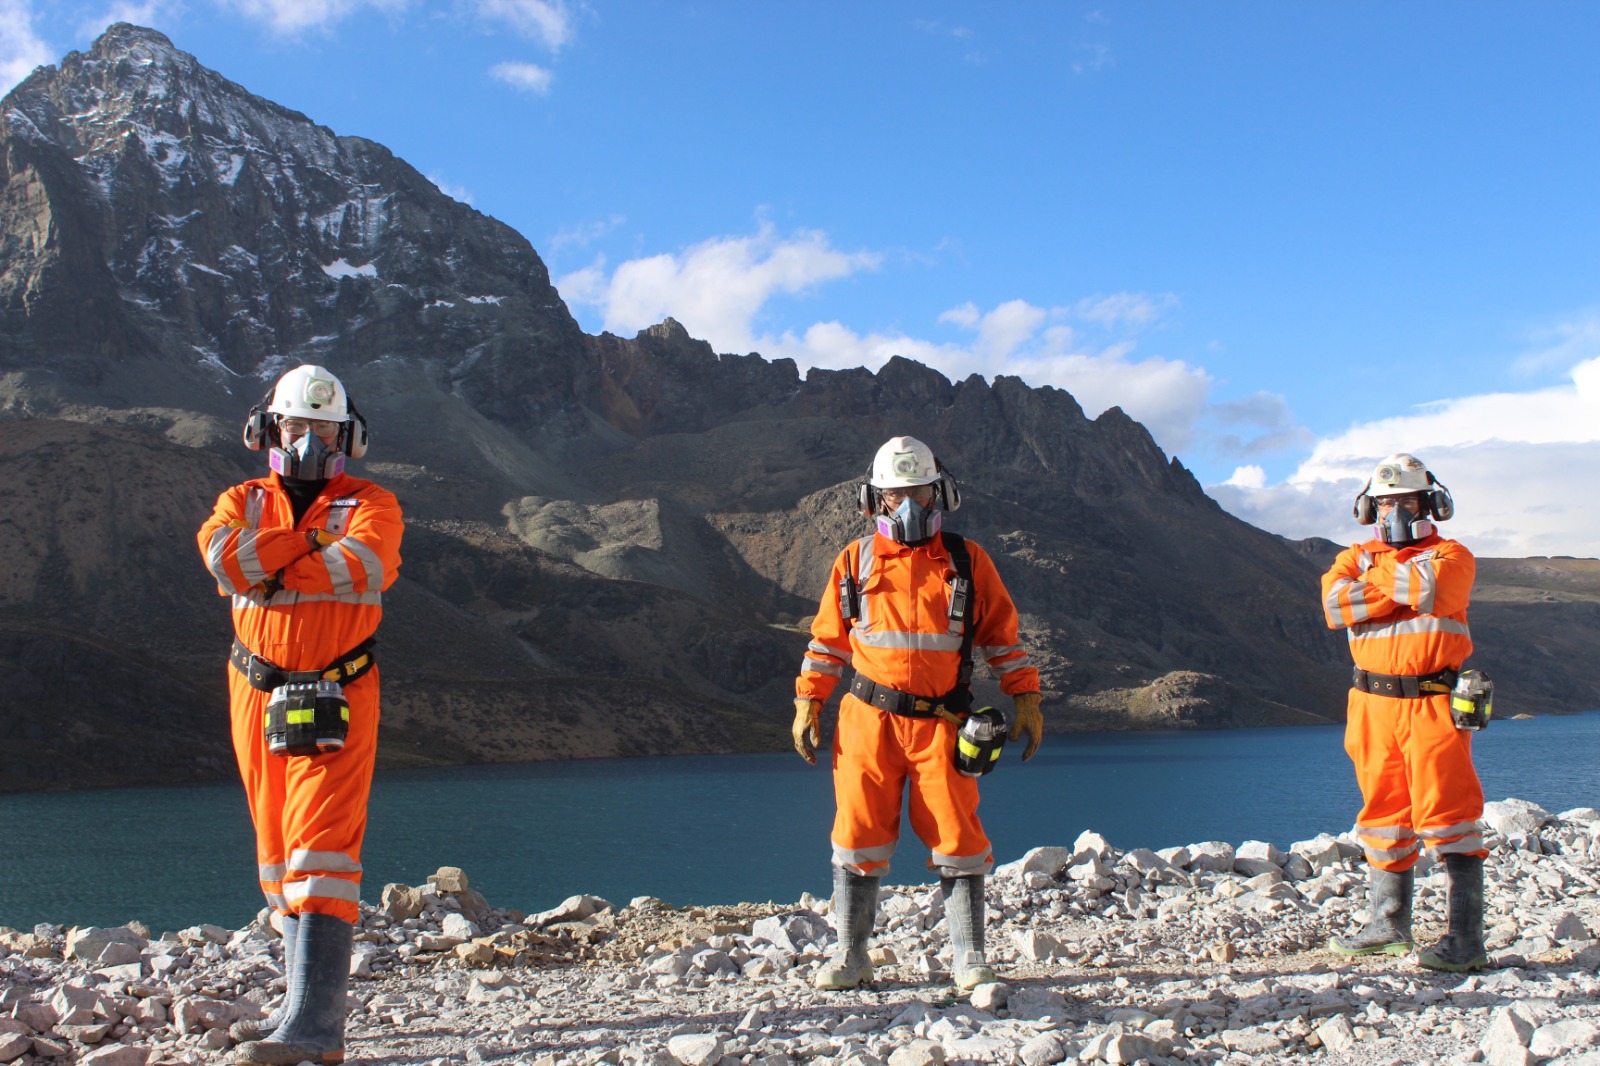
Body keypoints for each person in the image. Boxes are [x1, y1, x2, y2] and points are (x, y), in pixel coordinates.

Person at [198, 364, 403, 1064]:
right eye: (296, 426)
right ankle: (295, 1013)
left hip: (337, 692)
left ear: (348, 435)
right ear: (268, 430)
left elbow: (367, 565)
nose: (309, 440)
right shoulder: (239, 498)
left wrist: (273, 563)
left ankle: (316, 1032)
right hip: (254, 692)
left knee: (321, 852)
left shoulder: (373, 503)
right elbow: (225, 560)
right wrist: (310, 550)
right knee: (278, 858)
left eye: (322, 428)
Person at [792, 435, 1044, 992]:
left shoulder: (967, 561)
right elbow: (827, 644)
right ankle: (851, 957)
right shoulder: (852, 561)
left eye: (920, 493)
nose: (908, 506)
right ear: (873, 500)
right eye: (893, 495)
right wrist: (808, 700)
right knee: (856, 837)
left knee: (958, 838)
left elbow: (1002, 637)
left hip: (942, 723)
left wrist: (1024, 693)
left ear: (941, 494)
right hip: (866, 721)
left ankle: (969, 958)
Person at [1321, 452, 1487, 972]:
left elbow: (1436, 591)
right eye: (1387, 502)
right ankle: (1387, 925)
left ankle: (1465, 941)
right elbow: (1334, 607)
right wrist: (1403, 589)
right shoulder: (1353, 556)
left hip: (1434, 703)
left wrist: (1382, 586)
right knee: (1383, 815)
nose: (1396, 511)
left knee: (1450, 816)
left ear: (1430, 503)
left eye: (1407, 501)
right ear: (1370, 507)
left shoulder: (1453, 554)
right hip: (1370, 706)